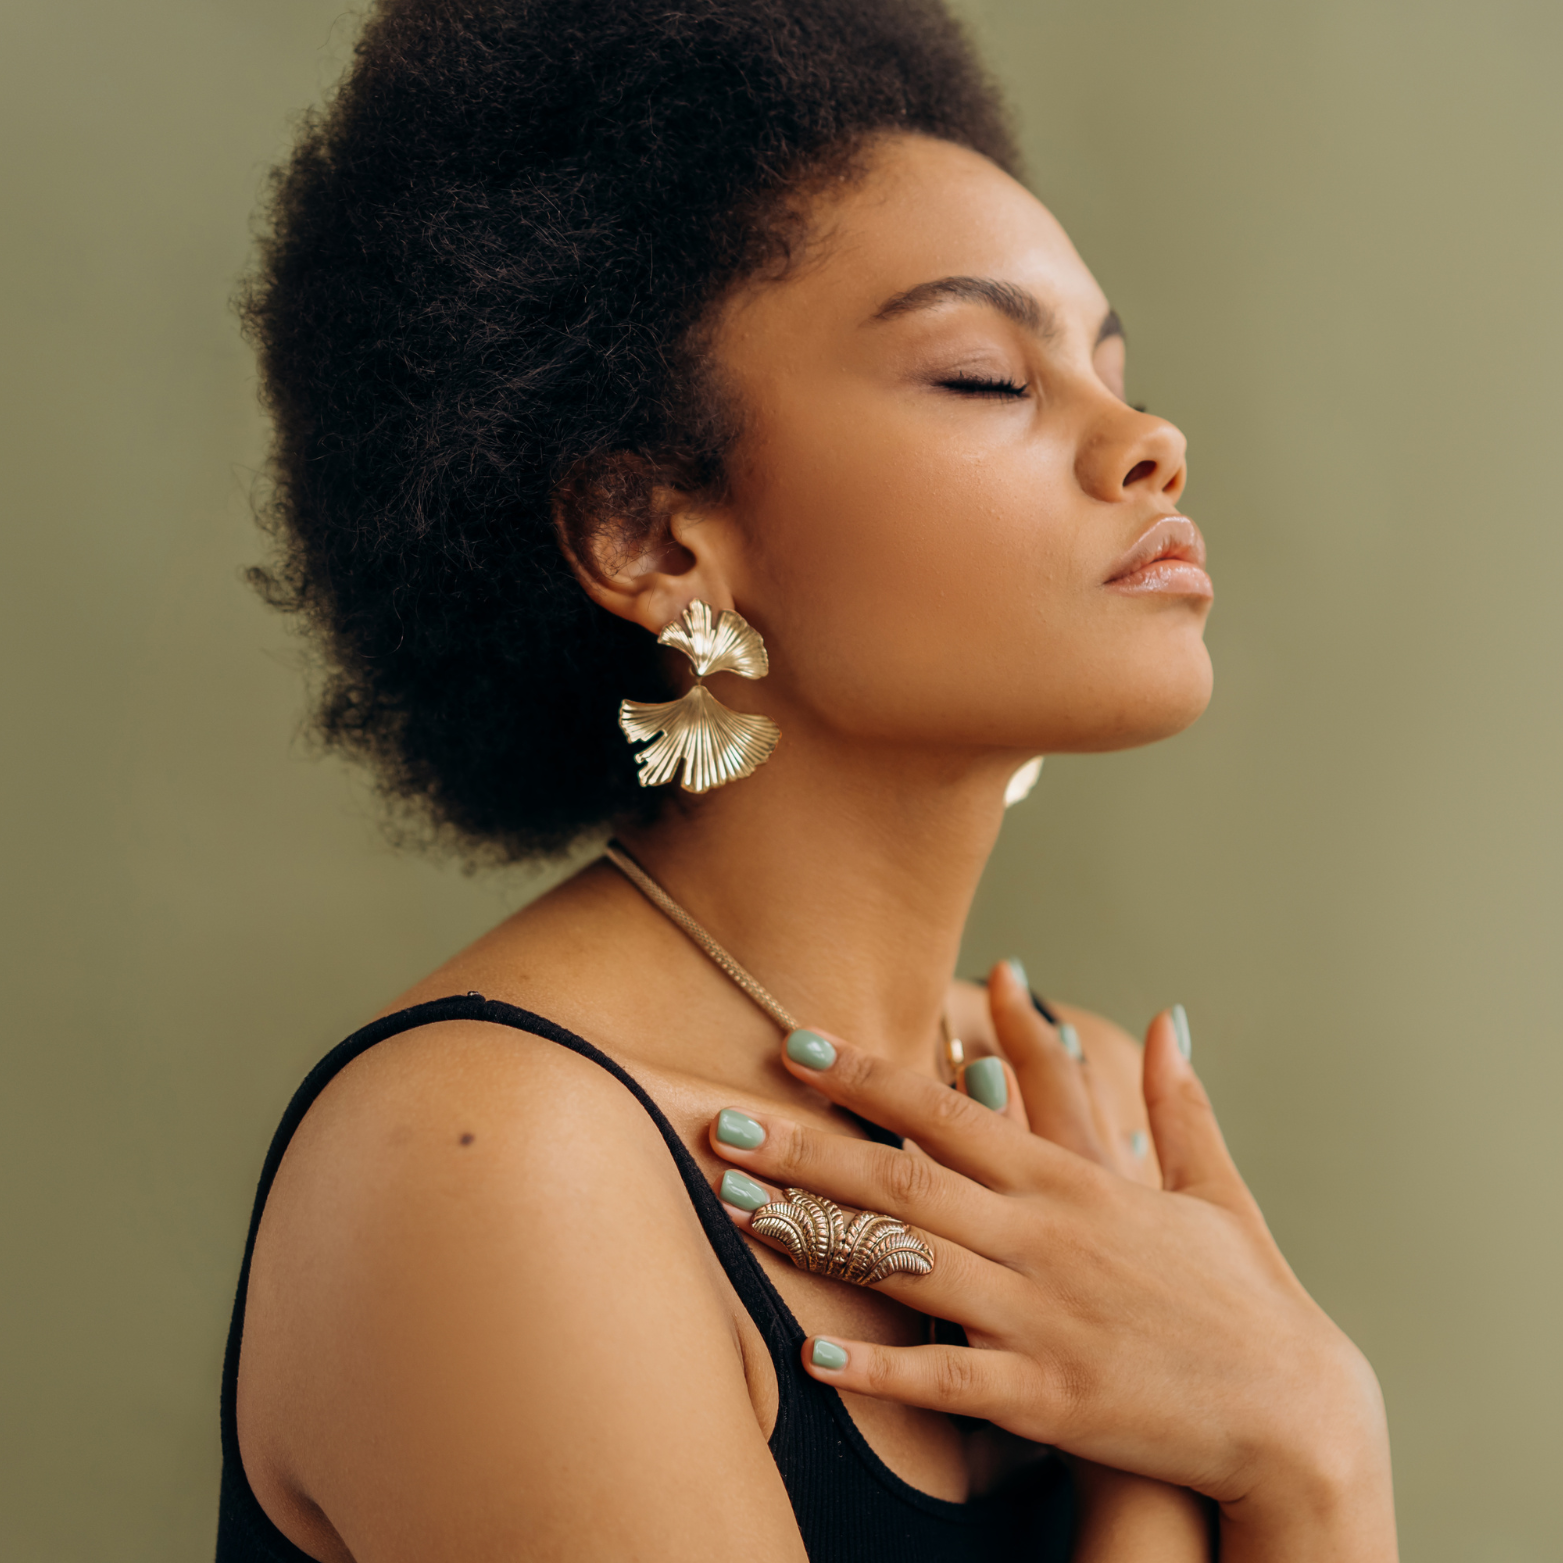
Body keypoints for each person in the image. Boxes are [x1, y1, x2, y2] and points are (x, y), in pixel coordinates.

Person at [219, 1, 1397, 1558]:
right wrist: (1228, 1451)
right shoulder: (497, 1165)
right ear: (650, 536)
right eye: (985, 376)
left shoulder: (1077, 1105)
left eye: (1113, 367)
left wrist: (1313, 1438)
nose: (1146, 441)